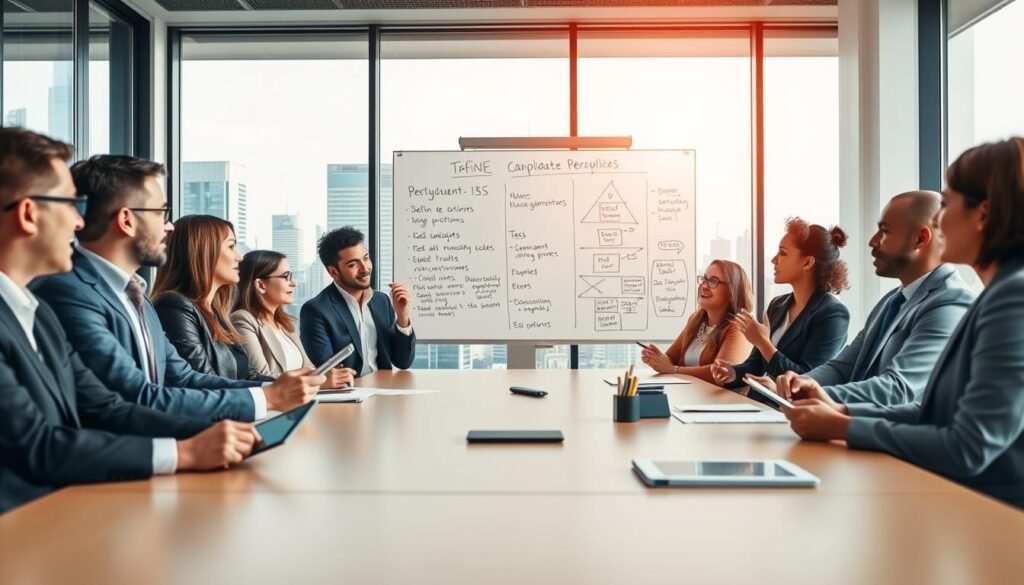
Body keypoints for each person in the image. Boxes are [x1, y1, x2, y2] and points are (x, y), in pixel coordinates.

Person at [0, 127, 260, 514]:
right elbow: (39, 445)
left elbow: (106, 407)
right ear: (28, 214)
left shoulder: (38, 315)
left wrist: (231, 433)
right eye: (72, 206)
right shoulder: (59, 298)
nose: (77, 222)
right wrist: (183, 453)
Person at [781, 138, 1024, 509]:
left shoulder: (1010, 298)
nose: (940, 219)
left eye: (950, 204)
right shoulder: (992, 296)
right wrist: (837, 408)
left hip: (989, 517)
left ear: (983, 214)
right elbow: (932, 412)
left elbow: (969, 446)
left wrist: (842, 425)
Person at [31, 156, 322, 423]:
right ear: (126, 220)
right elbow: (135, 396)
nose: (169, 227)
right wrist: (267, 397)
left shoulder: (137, 297)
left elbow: (183, 378)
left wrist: (274, 388)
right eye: (162, 214)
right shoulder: (70, 292)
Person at [765, 192, 975, 407]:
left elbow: (898, 389)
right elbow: (842, 368)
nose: (873, 241)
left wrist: (814, 396)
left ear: (920, 239)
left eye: (884, 231)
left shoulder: (951, 302)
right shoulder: (892, 301)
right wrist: (799, 384)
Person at [710, 219, 850, 391]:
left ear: (807, 263)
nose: (774, 260)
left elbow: (806, 379)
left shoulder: (833, 314)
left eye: (783, 253)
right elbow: (756, 365)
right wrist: (732, 373)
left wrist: (763, 343)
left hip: (792, 414)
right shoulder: (778, 304)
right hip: (759, 406)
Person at [153, 215, 272, 381]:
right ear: (204, 251)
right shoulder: (174, 308)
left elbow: (248, 375)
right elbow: (204, 382)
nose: (240, 257)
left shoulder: (216, 312)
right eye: (231, 246)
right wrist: (275, 392)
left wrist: (288, 383)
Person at [300, 226, 416, 377]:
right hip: (347, 394)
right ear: (333, 272)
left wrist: (402, 317)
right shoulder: (316, 310)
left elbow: (403, 362)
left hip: (383, 389)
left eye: (366, 258)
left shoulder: (381, 301)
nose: (365, 268)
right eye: (353, 264)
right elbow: (328, 372)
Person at [232, 250, 354, 386]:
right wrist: (319, 381)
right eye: (286, 277)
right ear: (260, 285)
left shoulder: (285, 323)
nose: (293, 283)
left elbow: (308, 366)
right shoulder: (242, 320)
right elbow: (260, 377)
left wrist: (325, 375)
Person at [641, 260, 754, 383]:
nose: (704, 286)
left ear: (732, 291)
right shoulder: (696, 319)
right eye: (704, 279)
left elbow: (722, 373)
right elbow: (670, 359)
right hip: (691, 396)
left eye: (713, 281)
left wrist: (673, 370)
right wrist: (656, 358)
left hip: (720, 401)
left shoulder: (739, 327)